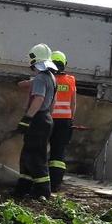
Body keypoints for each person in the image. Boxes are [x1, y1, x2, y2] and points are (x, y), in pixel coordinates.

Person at [13, 44, 57, 199]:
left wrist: (27, 118)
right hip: (45, 118)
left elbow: (39, 98)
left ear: (33, 61)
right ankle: (23, 187)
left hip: (37, 119)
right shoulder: (51, 77)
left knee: (34, 156)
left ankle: (42, 191)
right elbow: (52, 102)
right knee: (28, 155)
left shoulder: (40, 78)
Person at [48, 50, 77, 191]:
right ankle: (55, 184)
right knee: (58, 153)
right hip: (65, 121)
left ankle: (40, 181)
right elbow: (73, 103)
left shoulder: (49, 78)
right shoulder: (71, 80)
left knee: (41, 149)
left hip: (49, 119)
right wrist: (71, 120)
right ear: (64, 64)